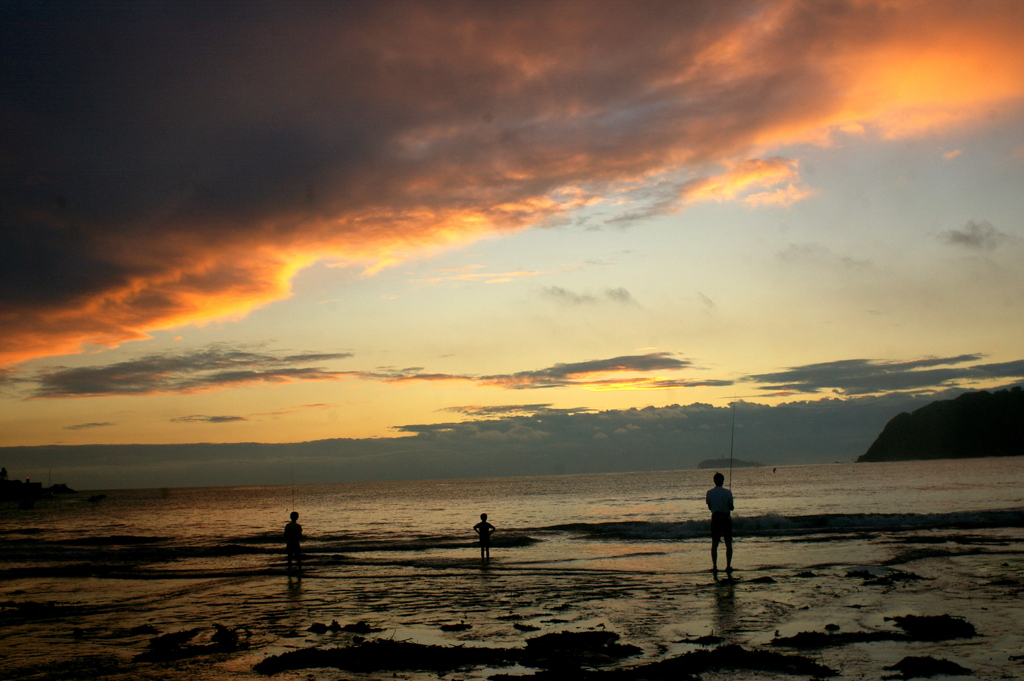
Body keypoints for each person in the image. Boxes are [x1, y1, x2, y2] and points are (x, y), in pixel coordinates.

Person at [705, 472, 734, 573]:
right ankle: (728, 566)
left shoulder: (709, 493)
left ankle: (715, 567)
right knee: (728, 544)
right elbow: (731, 507)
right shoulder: (728, 492)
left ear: (714, 481)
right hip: (726, 519)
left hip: (716, 519)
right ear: (723, 481)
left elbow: (709, 507)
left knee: (714, 544)